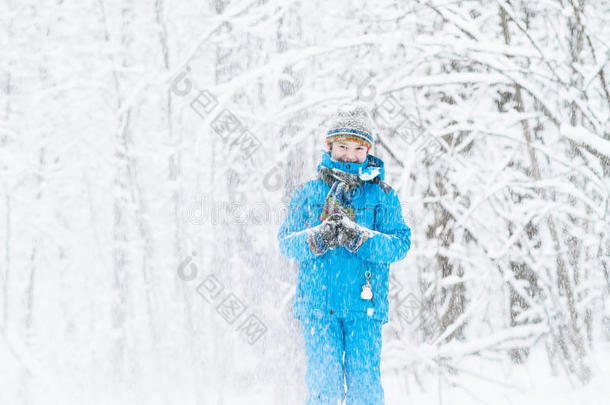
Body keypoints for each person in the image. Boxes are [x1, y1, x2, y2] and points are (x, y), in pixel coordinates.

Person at [277, 103, 412, 405]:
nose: (349, 155)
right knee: (324, 389)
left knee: (365, 391)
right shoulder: (309, 193)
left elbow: (400, 244)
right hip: (318, 307)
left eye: (357, 148)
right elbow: (286, 242)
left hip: (364, 309)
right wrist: (318, 237)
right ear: (329, 147)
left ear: (368, 151)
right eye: (342, 146)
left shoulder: (382, 195)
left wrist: (361, 238)